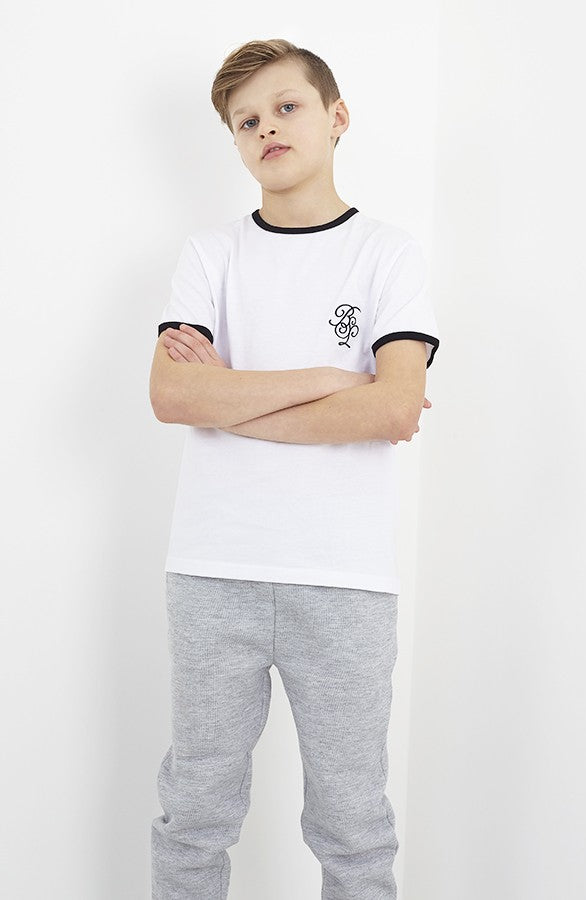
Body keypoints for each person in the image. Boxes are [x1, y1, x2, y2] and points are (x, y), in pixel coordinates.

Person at [148, 38, 440, 900]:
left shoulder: (387, 254)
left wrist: (229, 399)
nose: (267, 129)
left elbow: (394, 411)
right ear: (236, 143)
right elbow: (172, 396)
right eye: (247, 122)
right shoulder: (211, 254)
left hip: (344, 580)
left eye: (286, 107)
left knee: (354, 828)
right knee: (194, 815)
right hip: (212, 572)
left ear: (336, 116)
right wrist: (331, 380)